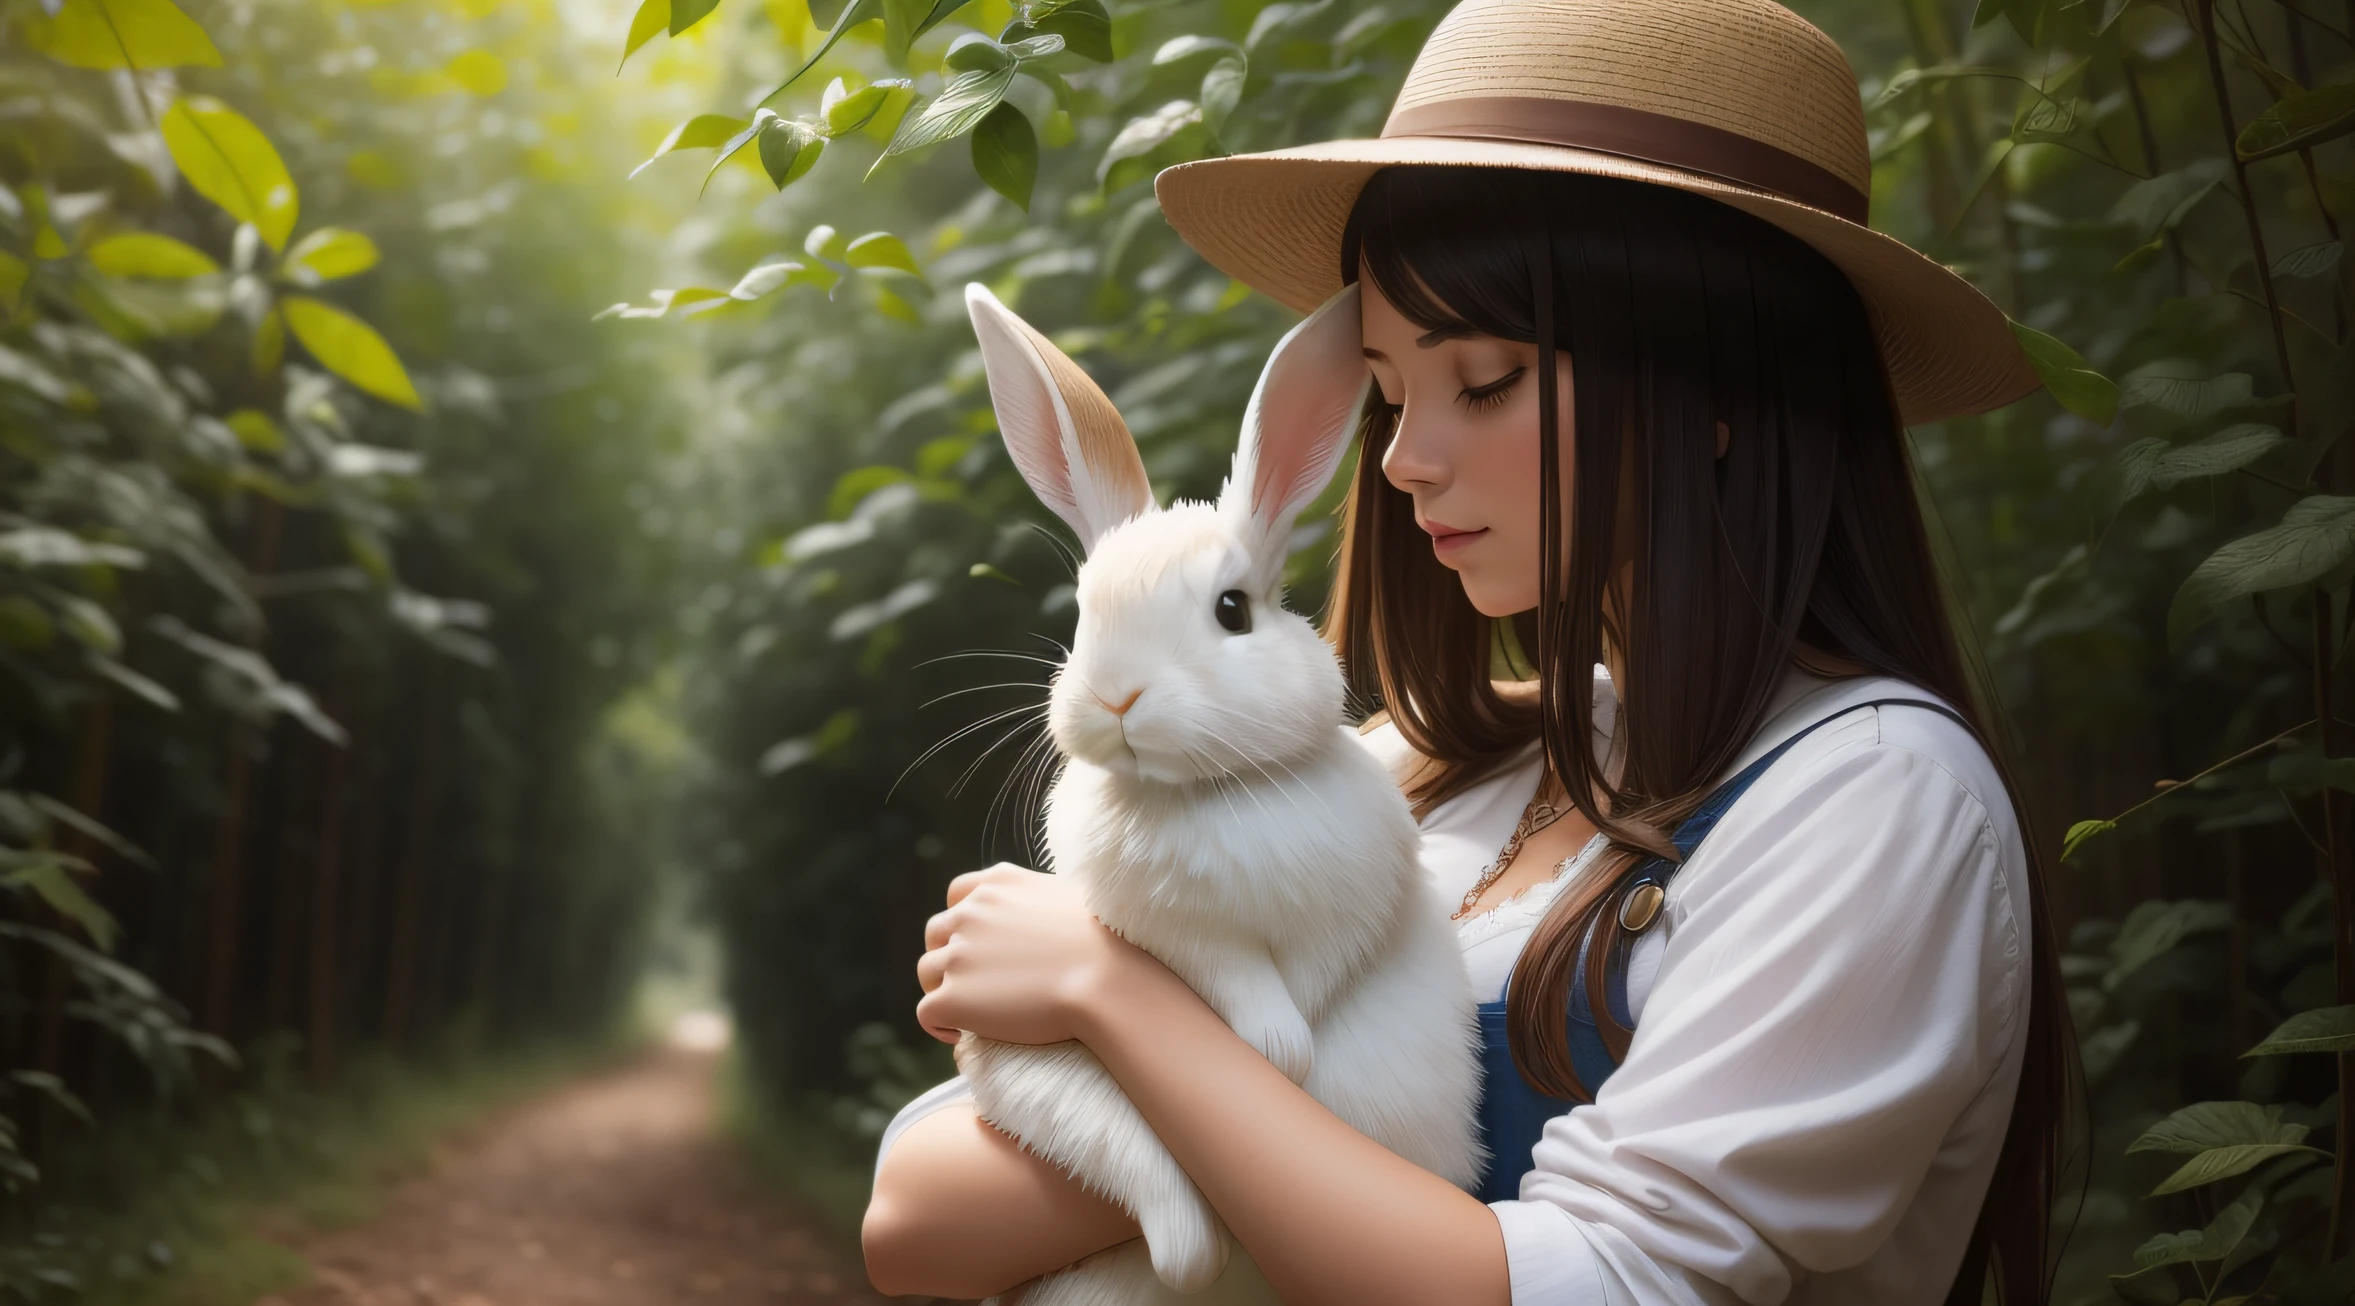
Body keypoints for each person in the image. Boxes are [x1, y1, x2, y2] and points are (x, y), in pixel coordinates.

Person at [862, 0, 2080, 1301]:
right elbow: (918, 1207)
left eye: (1483, 379)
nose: (1400, 458)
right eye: (1385, 390)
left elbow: (1591, 1280)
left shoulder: (1873, 800)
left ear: (1718, 388)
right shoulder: (1421, 762)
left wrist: (1120, 1000)